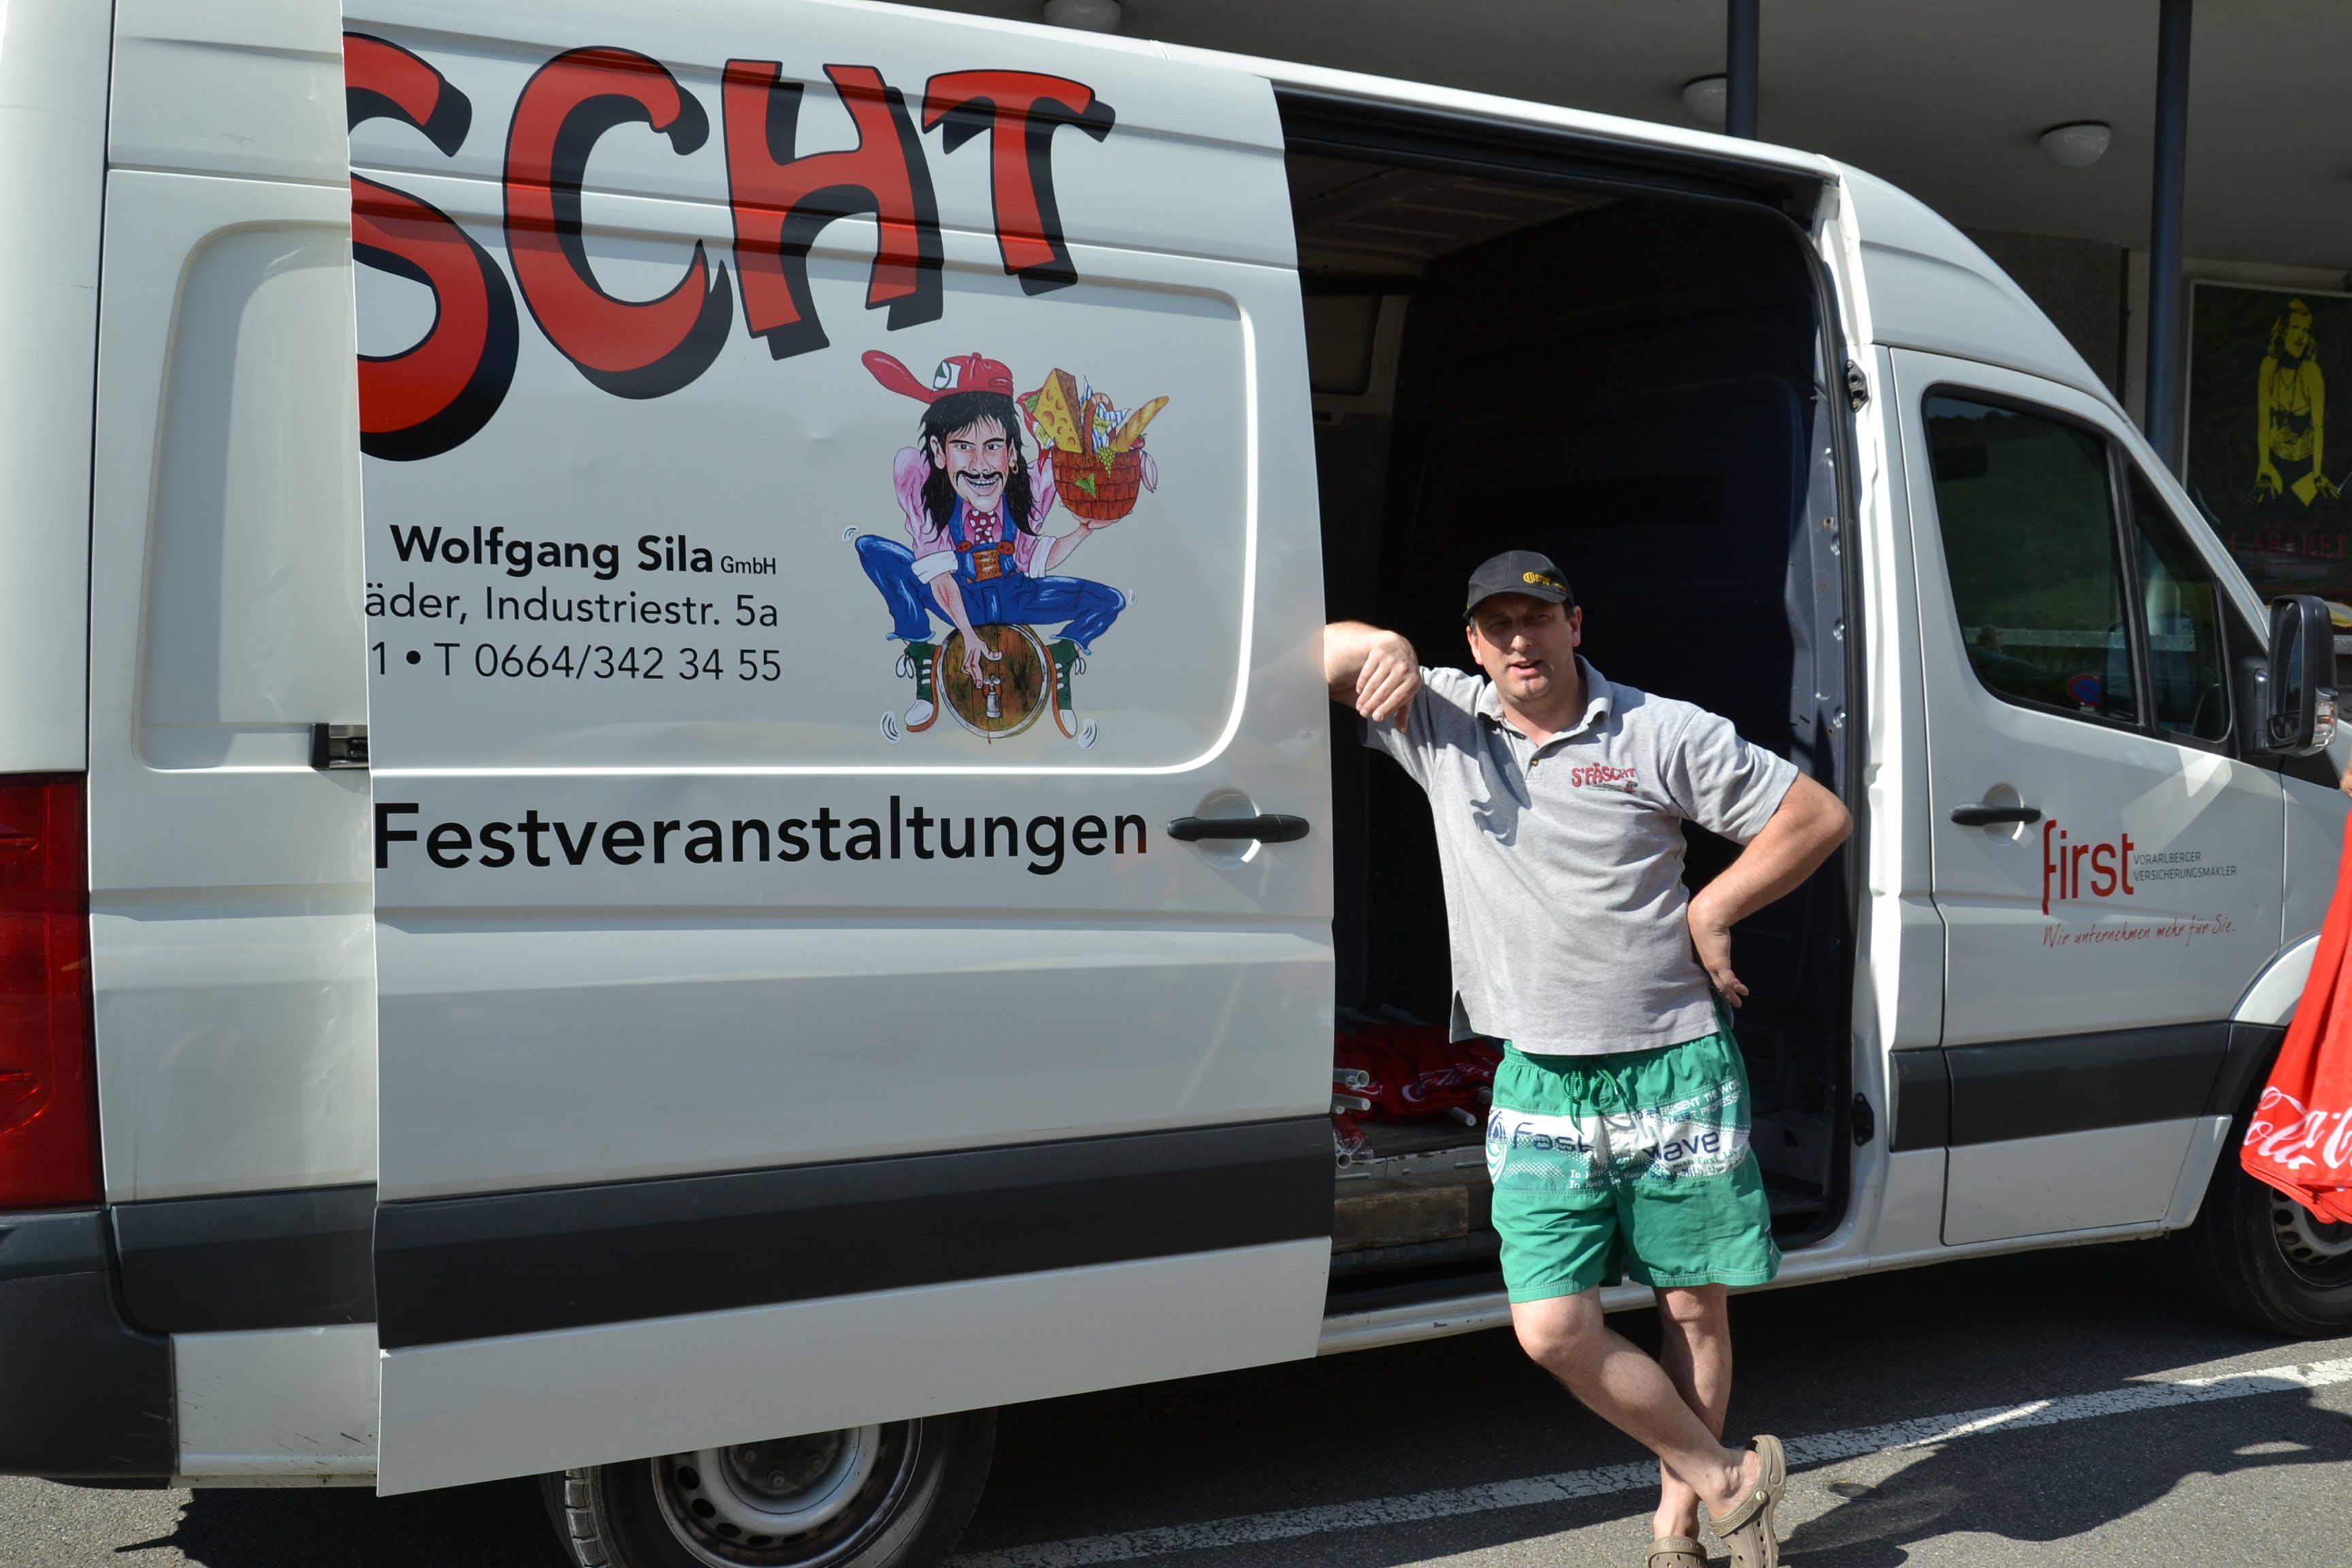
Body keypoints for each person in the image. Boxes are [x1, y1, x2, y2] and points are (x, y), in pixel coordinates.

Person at [1323, 551, 1851, 1568]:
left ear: (1577, 624)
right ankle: (1727, 1476)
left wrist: (1715, 905)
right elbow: (1310, 654)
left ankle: (1677, 1527)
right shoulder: (1442, 720)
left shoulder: (1660, 730)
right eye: (1497, 626)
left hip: (1675, 1062)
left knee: (1691, 1304)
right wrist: (1381, 642)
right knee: (1553, 1328)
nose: (1520, 641)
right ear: (1473, 643)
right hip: (1540, 1077)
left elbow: (1815, 817)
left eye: (1539, 619)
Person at [854, 351, 1131, 734]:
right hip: (959, 600)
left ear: (1012, 453)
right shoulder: (921, 484)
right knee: (873, 550)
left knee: (1109, 601)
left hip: (1016, 597)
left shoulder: (1029, 488)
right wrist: (967, 635)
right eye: (964, 446)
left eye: (993, 446)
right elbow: (940, 576)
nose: (981, 465)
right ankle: (921, 652)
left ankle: (1061, 658)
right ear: (939, 452)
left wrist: (1083, 530)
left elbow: (1038, 558)